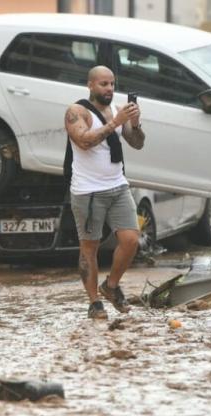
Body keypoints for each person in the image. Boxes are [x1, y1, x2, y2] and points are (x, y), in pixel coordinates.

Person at [64, 66, 145, 320]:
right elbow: (84, 140)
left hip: (117, 185)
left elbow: (138, 143)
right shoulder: (77, 112)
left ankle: (110, 286)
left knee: (131, 240)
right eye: (103, 84)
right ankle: (94, 302)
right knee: (90, 247)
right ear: (90, 85)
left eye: (112, 84)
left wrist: (134, 123)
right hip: (87, 191)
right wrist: (115, 123)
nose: (109, 89)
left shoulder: (117, 110)